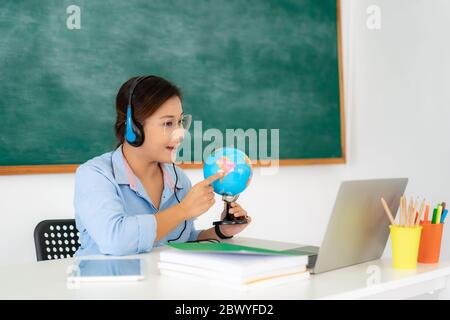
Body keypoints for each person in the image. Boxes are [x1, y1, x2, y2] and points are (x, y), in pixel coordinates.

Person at [73, 75, 251, 256]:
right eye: (168, 123)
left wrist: (221, 232)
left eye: (180, 121)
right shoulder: (94, 175)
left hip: (156, 282)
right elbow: (116, 241)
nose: (180, 134)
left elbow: (182, 239)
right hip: (103, 281)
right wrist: (182, 210)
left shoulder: (178, 179)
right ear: (133, 128)